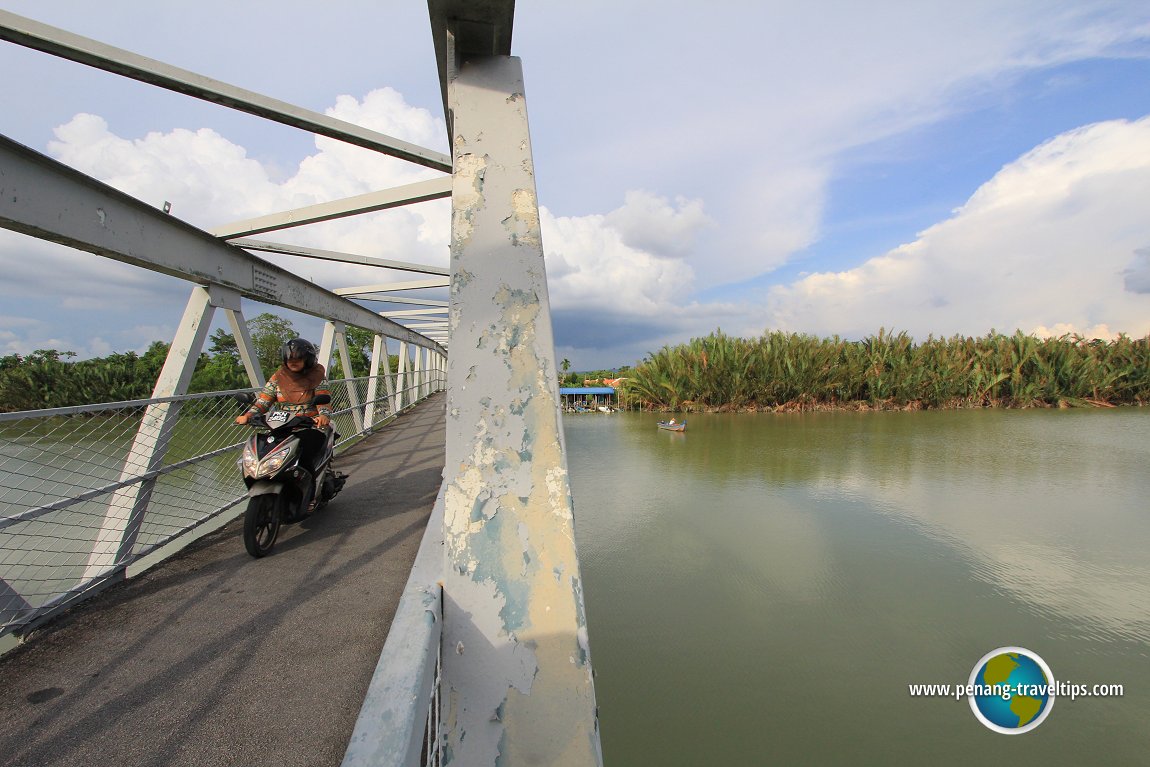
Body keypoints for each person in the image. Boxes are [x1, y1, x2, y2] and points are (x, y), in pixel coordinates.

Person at [236, 338, 333, 469]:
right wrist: (248, 415)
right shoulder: (278, 377)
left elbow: (323, 398)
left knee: (307, 456)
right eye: (289, 359)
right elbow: (264, 401)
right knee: (262, 451)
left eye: (298, 359)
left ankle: (310, 483)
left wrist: (323, 415)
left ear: (307, 359)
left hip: (309, 425)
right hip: (282, 425)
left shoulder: (317, 376)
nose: (293, 362)